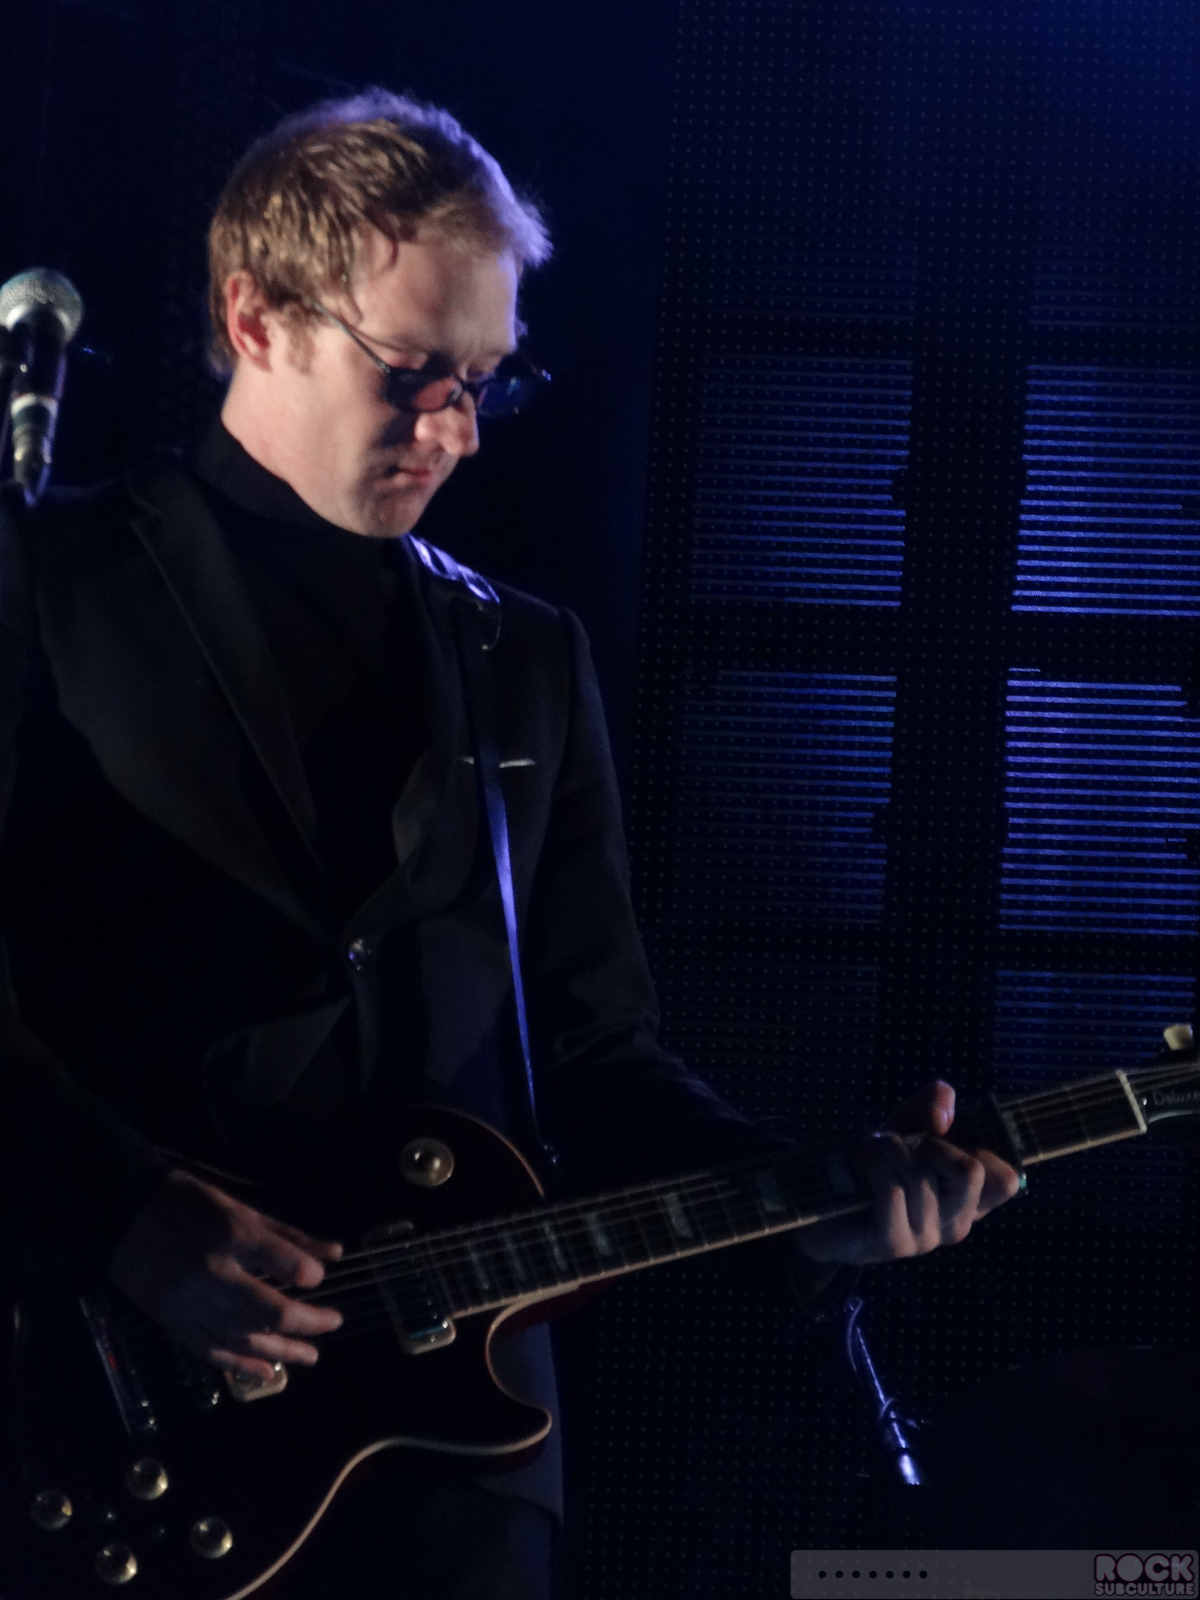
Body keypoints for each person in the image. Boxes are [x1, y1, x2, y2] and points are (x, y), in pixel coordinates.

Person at [0, 89, 1019, 1598]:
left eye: (486, 380)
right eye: (413, 372)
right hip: (99, 1423)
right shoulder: (48, 576)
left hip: (459, 1474)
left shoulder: (522, 655)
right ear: (257, 315)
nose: (457, 429)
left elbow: (597, 1061)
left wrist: (819, 1202)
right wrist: (116, 1210)